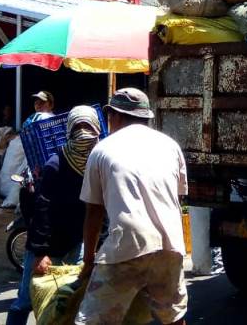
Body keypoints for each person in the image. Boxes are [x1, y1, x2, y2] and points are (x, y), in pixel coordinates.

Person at [75, 88, 188, 325]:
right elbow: (176, 198)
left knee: (90, 321)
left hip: (127, 243)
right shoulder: (170, 146)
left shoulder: (102, 149)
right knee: (173, 317)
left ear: (115, 116)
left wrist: (87, 262)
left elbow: (93, 212)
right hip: (172, 243)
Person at [5, 106, 102, 325]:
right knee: (25, 301)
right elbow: (42, 210)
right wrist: (40, 253)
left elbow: (98, 210)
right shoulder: (56, 165)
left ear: (97, 129)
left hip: (76, 243)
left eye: (88, 127)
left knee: (70, 300)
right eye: (79, 128)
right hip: (47, 245)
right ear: (69, 131)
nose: (84, 134)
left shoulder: (97, 164)